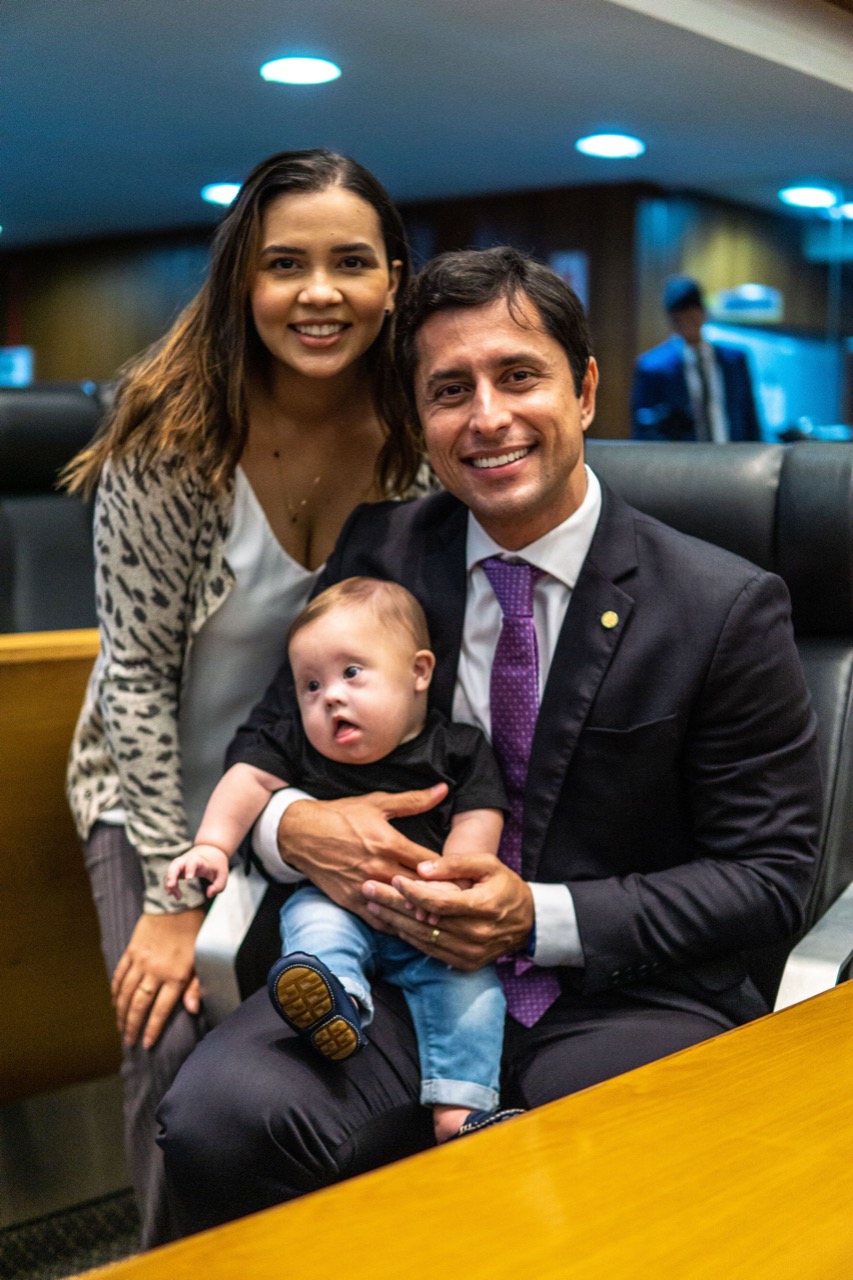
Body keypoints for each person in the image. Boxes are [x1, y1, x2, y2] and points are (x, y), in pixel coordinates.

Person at [158, 246, 821, 1235]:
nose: (487, 417)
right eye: (448, 389)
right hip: (385, 971)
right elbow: (267, 739)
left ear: (584, 387)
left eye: (518, 374)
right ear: (419, 420)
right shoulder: (378, 551)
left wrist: (534, 918)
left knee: (584, 1159)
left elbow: (769, 875)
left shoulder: (720, 606)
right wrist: (294, 828)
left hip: (618, 993)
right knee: (219, 1114)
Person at [62, 147, 430, 1247]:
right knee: (169, 1028)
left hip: (312, 788)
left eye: (350, 263)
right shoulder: (171, 433)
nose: (319, 293)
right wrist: (175, 900)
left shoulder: (415, 437)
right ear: (242, 282)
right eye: (285, 265)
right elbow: (128, 676)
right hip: (158, 789)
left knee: (313, 1044)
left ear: (394, 282)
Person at [166, 576, 516, 1143]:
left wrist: (458, 875)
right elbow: (247, 779)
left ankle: (459, 1111)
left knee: (474, 992)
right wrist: (212, 845)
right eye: (310, 685)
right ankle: (334, 999)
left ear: (419, 672)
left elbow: (481, 812)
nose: (330, 696)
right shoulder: (298, 745)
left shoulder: (457, 747)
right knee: (312, 921)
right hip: (336, 901)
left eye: (352, 673)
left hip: (431, 919)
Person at [631, 275, 762, 442]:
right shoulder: (652, 367)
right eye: (680, 319)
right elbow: (642, 430)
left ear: (703, 313)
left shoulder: (735, 360)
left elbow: (750, 416)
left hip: (732, 455)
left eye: (692, 316)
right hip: (682, 460)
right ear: (671, 320)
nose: (687, 324)